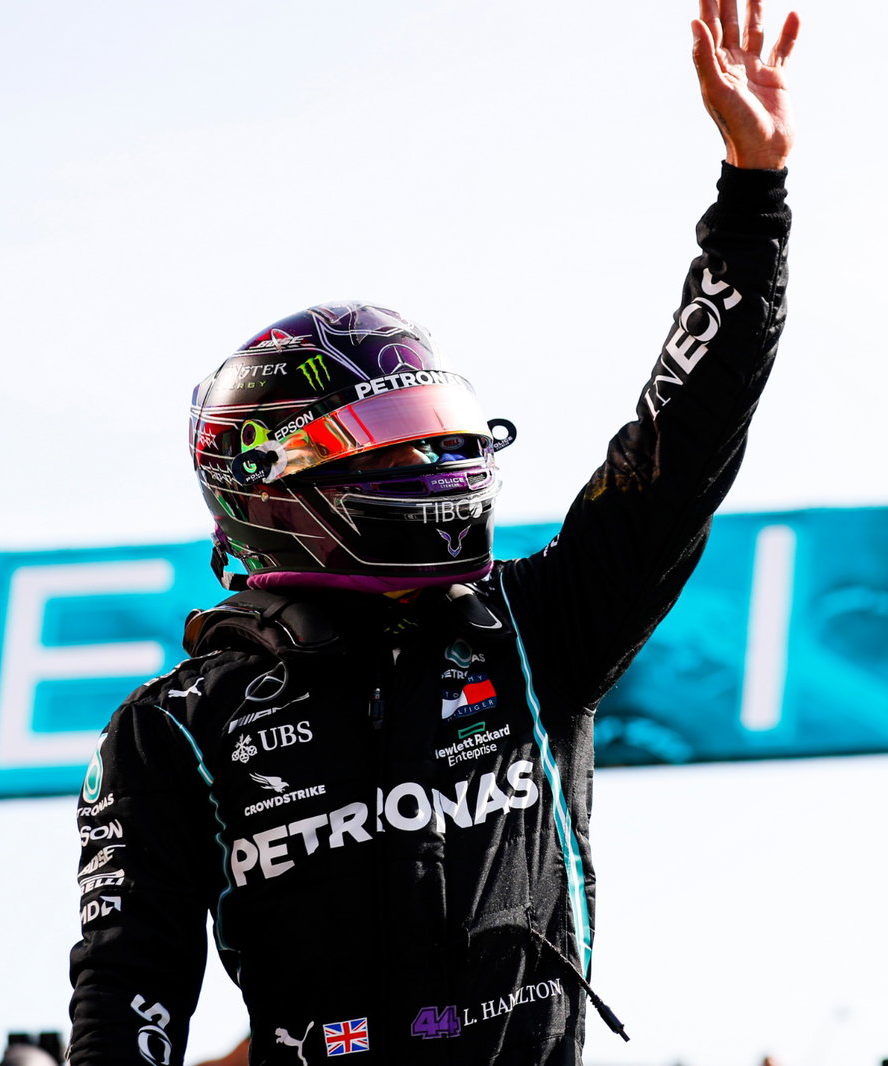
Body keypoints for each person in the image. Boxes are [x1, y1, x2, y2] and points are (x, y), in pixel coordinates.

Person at [67, 1, 799, 1062]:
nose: (439, 472)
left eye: (445, 438)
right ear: (274, 485)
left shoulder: (536, 629)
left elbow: (681, 446)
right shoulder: (171, 728)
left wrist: (753, 197)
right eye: (394, 445)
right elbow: (127, 993)